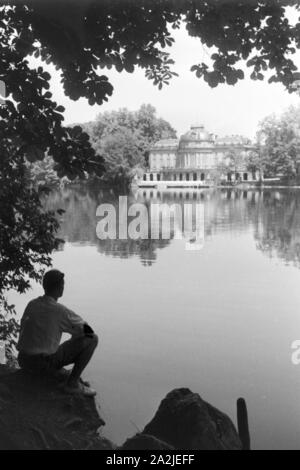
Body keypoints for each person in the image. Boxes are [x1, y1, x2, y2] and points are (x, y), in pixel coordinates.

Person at [17, 269, 99, 397]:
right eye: (63, 284)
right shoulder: (60, 311)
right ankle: (72, 384)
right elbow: (88, 330)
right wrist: (75, 336)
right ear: (60, 288)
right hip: (42, 364)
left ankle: (65, 377)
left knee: (52, 352)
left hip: (23, 360)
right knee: (93, 339)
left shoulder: (32, 304)